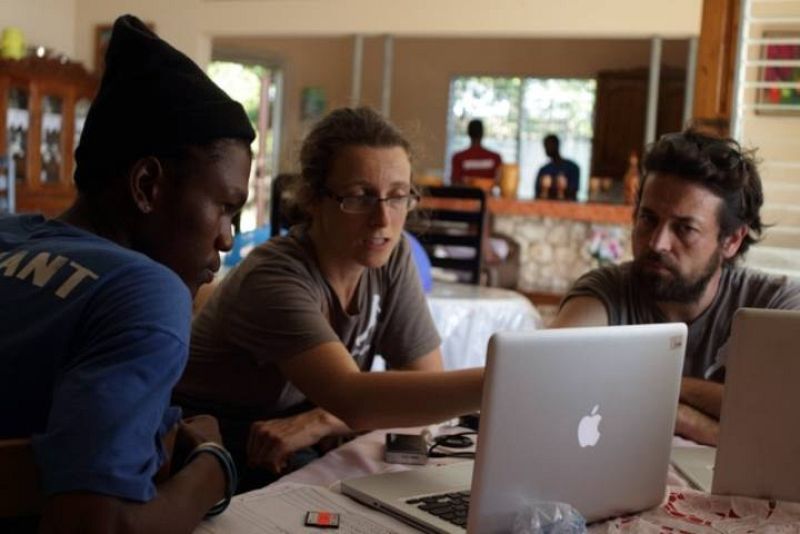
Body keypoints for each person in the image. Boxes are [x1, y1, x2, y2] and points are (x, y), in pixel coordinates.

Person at [0, 15, 255, 533]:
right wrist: (213, 465)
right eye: (225, 208)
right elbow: (97, 526)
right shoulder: (145, 291)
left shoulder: (8, 232)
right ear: (146, 186)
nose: (227, 238)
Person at [175, 107, 483, 491]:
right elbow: (353, 400)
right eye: (359, 197)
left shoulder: (391, 254)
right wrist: (499, 381)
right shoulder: (275, 277)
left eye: (398, 196)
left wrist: (321, 420)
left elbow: (425, 379)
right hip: (211, 445)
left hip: (294, 438)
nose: (383, 220)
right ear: (313, 199)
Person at [551, 129, 800, 446]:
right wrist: (717, 422)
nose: (658, 243)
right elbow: (548, 378)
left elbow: (786, 416)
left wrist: (673, 403)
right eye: (648, 219)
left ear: (731, 240)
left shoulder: (777, 304)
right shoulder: (605, 293)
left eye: (684, 228)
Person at [450, 119, 502, 187]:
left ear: (468, 133)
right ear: (482, 133)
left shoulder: (458, 157)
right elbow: (499, 182)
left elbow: (455, 183)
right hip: (487, 193)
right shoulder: (495, 157)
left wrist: (470, 181)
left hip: (466, 193)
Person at [534, 134, 580, 200]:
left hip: (567, 205)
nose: (546, 149)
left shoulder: (572, 167)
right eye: (545, 146)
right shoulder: (544, 170)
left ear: (557, 145)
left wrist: (561, 188)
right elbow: (537, 194)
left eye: (549, 145)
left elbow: (574, 192)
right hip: (545, 204)